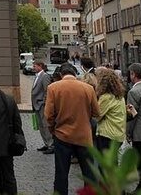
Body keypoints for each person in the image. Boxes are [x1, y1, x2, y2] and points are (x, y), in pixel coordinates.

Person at [45, 63, 99, 195]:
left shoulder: (53, 87)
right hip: (84, 136)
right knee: (89, 173)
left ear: (61, 74)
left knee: (61, 173)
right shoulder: (88, 88)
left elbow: (48, 115)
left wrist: (53, 129)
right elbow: (97, 112)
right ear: (75, 74)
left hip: (62, 135)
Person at [93, 67, 126, 152]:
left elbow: (97, 116)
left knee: (106, 163)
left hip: (108, 134)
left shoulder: (106, 97)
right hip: (119, 133)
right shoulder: (119, 96)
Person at [31, 60, 54, 154]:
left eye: (35, 66)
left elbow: (47, 91)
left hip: (41, 105)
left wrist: (44, 103)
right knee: (41, 126)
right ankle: (46, 143)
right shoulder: (37, 76)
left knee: (45, 125)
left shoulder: (44, 76)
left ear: (40, 66)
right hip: (36, 105)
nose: (33, 67)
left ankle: (51, 145)